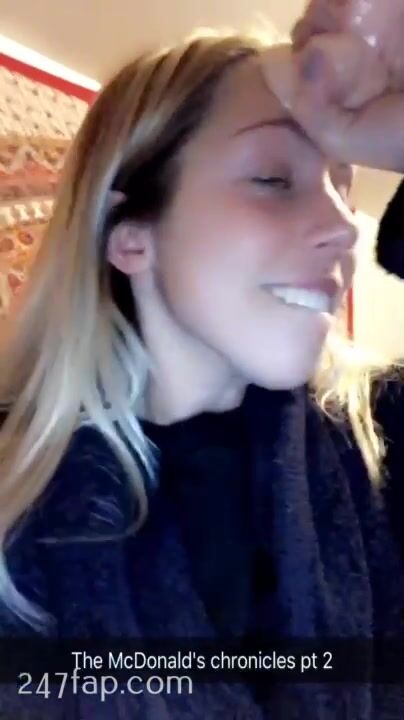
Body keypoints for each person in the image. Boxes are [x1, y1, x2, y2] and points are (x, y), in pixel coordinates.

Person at [0, 22, 403, 720]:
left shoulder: (380, 442)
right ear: (131, 238)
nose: (344, 227)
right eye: (273, 178)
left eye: (344, 187)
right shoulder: (16, 492)